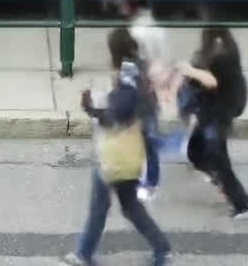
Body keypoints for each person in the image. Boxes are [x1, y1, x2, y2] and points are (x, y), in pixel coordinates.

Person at [63, 28, 171, 266]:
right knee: (130, 206)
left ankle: (84, 254)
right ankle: (161, 247)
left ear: (114, 51)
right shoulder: (138, 69)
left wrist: (93, 109)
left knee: (99, 205)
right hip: (131, 153)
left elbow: (117, 115)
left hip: (116, 154)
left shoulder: (127, 76)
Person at [178, 27, 248, 219]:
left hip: (217, 114)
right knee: (195, 152)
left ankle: (242, 204)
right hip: (209, 112)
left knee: (218, 159)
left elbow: (211, 81)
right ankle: (219, 180)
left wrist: (190, 70)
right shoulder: (220, 48)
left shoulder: (221, 54)